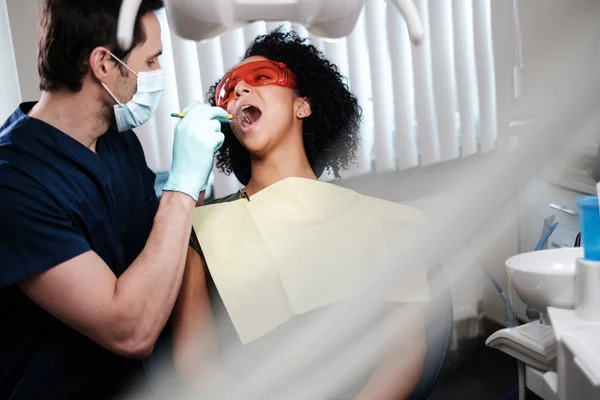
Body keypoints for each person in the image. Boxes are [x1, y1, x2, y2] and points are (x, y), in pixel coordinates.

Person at [171, 28, 430, 399]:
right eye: (229, 91)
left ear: (303, 105)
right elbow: (195, 364)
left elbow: (404, 355)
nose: (240, 91)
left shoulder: (385, 220)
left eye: (260, 78)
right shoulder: (201, 228)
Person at [0, 0, 228, 398]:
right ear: (104, 64)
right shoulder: (13, 183)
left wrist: (195, 188)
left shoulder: (117, 142)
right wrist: (182, 185)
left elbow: (152, 249)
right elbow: (129, 330)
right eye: (152, 60)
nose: (159, 74)